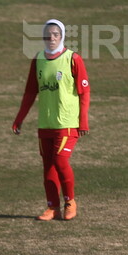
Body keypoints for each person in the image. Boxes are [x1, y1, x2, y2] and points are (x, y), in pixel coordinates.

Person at [12, 20, 91, 221]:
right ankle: (52, 207)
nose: (52, 38)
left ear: (62, 35)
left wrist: (83, 121)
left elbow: (84, 91)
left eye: (56, 34)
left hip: (66, 122)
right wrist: (20, 118)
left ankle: (70, 202)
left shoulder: (73, 59)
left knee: (60, 160)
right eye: (48, 34)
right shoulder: (38, 59)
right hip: (45, 123)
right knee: (48, 165)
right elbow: (30, 91)